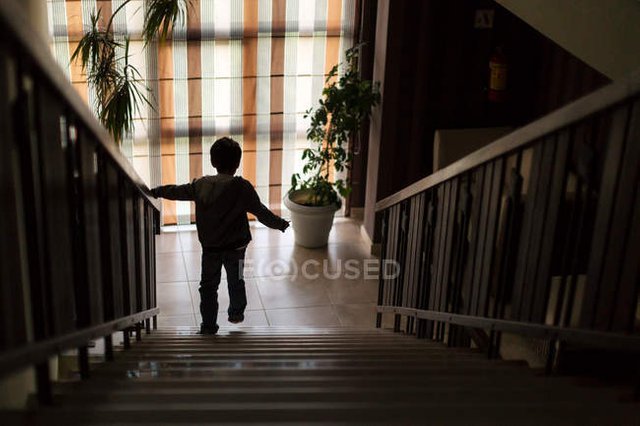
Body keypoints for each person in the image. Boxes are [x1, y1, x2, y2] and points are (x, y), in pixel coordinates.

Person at [151, 137, 289, 335]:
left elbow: (176, 191)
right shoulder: (242, 187)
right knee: (236, 280)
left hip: (211, 248)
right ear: (237, 163)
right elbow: (261, 212)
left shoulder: (200, 185)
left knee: (208, 287)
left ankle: (208, 325)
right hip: (236, 247)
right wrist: (280, 224)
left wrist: (157, 191)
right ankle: (235, 313)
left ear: (213, 162)